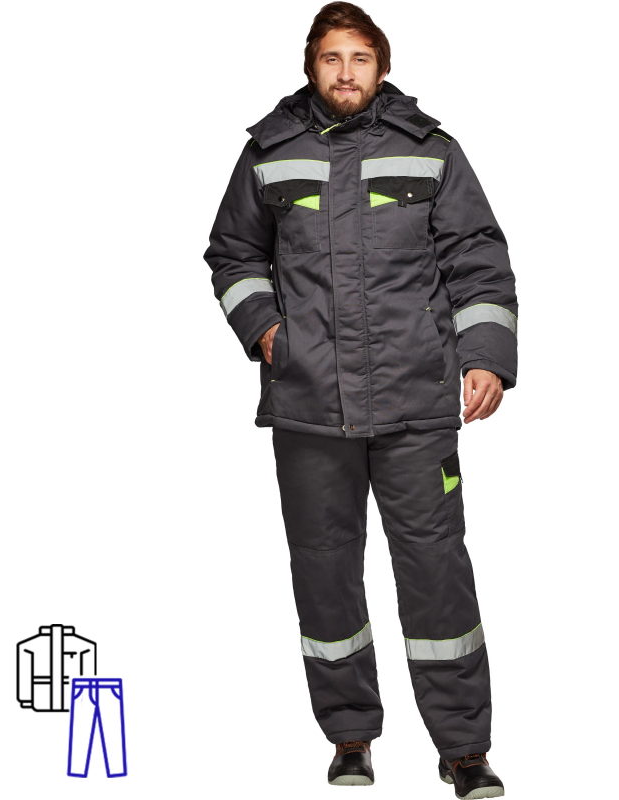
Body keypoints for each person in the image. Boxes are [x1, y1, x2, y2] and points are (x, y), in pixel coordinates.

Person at [203, 3, 517, 797]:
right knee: (325, 572)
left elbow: (478, 260)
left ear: (382, 65)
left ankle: (464, 749)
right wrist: (264, 328)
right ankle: (350, 736)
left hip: (417, 404)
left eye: (360, 58)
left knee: (437, 571)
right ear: (311, 65)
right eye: (331, 58)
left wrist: (485, 358)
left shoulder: (432, 150)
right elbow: (232, 252)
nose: (345, 73)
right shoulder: (269, 152)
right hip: (309, 404)